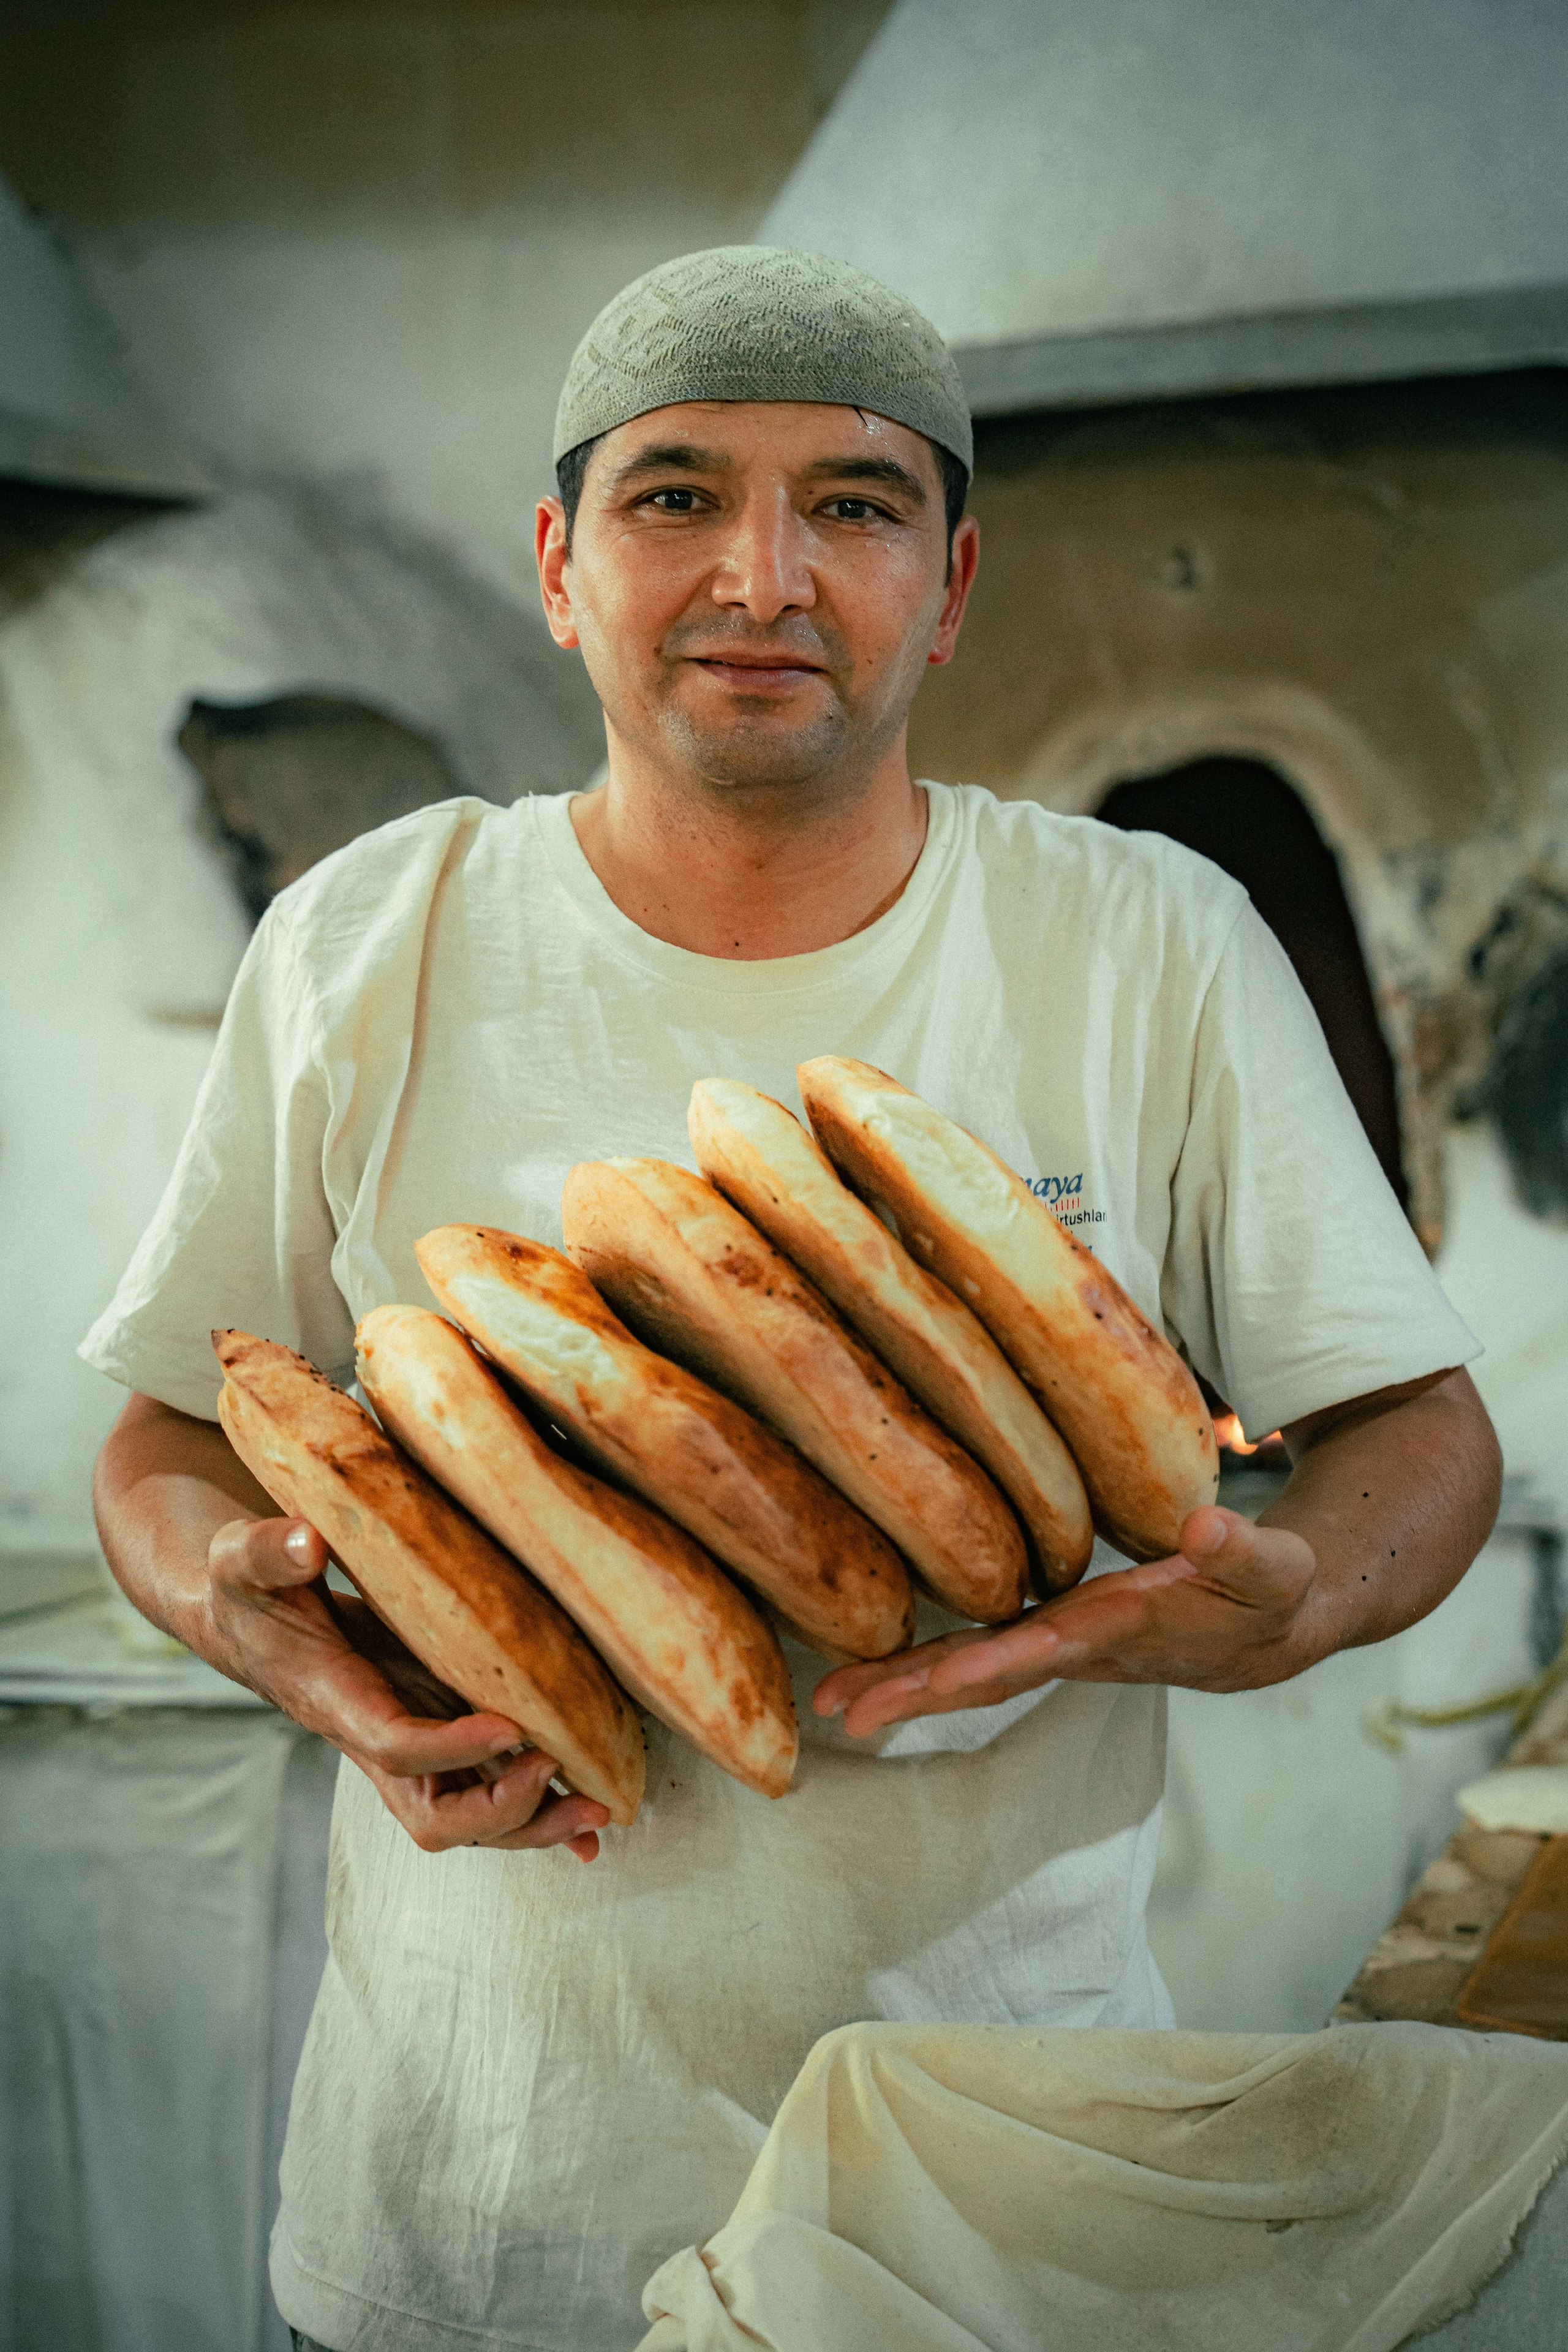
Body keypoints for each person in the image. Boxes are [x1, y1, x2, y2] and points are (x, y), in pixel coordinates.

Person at [86, 246, 1499, 2352]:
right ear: (559, 565)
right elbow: (167, 1446)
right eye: (675, 497)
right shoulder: (371, 939)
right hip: (466, 2220)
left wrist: (1302, 1588)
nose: (763, 572)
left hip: (996, 2203)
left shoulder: (1147, 942)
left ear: (950, 582)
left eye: (851, 503)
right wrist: (254, 1615)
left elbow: (1424, 1441)